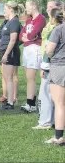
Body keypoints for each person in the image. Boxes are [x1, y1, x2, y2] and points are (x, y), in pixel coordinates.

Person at [33, 5, 63, 130]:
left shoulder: (56, 30)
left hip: (54, 66)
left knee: (46, 94)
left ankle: (45, 121)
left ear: (54, 19)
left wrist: (44, 67)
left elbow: (48, 51)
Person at [19, 0, 47, 113]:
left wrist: (28, 36)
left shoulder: (41, 18)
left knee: (31, 77)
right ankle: (31, 101)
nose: (26, 9)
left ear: (34, 6)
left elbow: (33, 34)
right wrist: (26, 37)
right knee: (28, 77)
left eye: (27, 6)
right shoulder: (29, 19)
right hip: (27, 48)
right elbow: (22, 35)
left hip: (35, 49)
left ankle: (31, 103)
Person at [0, 1, 24, 110]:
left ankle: (10, 102)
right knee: (6, 77)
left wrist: (6, 54)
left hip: (10, 53)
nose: (4, 11)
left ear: (11, 9)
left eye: (5, 9)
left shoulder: (14, 22)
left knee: (9, 78)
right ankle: (9, 100)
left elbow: (13, 39)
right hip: (5, 51)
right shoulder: (8, 22)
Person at [45, 8, 65, 145]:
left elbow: (50, 50)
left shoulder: (58, 30)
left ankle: (59, 137)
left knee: (59, 103)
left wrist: (50, 55)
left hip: (59, 66)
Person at [0, 16, 19, 103]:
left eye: (5, 10)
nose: (4, 13)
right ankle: (5, 95)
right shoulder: (5, 23)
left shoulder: (15, 22)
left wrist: (14, 45)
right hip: (3, 50)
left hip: (12, 51)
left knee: (13, 75)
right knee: (4, 74)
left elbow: (17, 38)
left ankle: (14, 96)